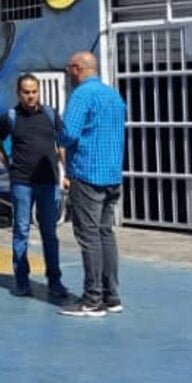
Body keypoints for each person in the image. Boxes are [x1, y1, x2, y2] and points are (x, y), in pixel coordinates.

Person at [56, 52, 128, 318]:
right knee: (105, 233)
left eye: (69, 68)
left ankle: (92, 299)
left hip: (87, 174)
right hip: (111, 174)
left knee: (89, 237)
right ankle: (112, 296)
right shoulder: (113, 95)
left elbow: (68, 133)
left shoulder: (81, 95)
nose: (68, 73)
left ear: (77, 69)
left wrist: (58, 137)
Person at [0, 73, 69, 300]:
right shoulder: (10, 117)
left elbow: (61, 145)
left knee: (49, 233)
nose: (31, 96)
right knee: (21, 231)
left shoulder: (50, 115)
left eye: (34, 91)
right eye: (26, 92)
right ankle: (22, 281)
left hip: (48, 182)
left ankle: (55, 281)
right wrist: (8, 166)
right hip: (22, 183)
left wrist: (67, 173)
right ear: (18, 93)